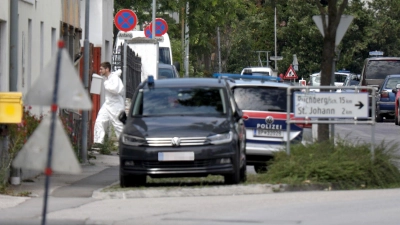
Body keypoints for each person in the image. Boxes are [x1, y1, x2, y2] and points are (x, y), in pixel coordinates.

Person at [93, 62, 125, 147]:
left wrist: (106, 84)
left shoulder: (114, 78)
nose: (100, 71)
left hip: (116, 105)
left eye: (101, 69)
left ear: (107, 69)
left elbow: (116, 90)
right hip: (108, 104)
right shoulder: (107, 79)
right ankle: (98, 142)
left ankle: (124, 146)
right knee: (99, 121)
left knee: (118, 125)